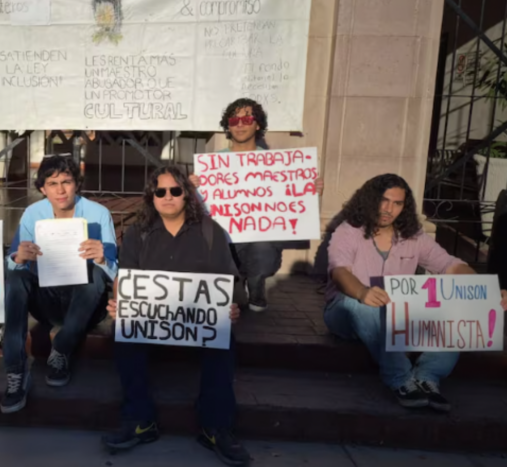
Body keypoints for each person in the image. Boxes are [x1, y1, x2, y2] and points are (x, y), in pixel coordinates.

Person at [102, 166, 248, 466]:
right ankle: (140, 420)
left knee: (223, 339)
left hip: (197, 322)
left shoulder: (211, 231)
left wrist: (231, 307)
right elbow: (126, 278)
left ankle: (215, 427)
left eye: (175, 190)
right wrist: (119, 301)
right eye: (160, 191)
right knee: (123, 331)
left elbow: (230, 282)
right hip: (151, 320)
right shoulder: (137, 233)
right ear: (151, 197)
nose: (167, 197)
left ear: (186, 195)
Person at [325, 173, 507, 411]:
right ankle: (400, 379)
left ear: (405, 206)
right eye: (384, 200)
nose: (389, 209)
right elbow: (339, 272)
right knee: (362, 307)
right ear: (370, 200)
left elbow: (449, 265)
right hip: (347, 310)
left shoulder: (413, 236)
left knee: (455, 302)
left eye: (397, 203)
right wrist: (362, 292)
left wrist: (486, 291)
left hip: (397, 313)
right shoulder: (348, 230)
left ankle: (428, 377)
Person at [1, 155, 117, 414]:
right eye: (53, 183)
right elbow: (10, 265)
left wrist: (102, 258)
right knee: (17, 278)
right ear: (43, 188)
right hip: (48, 301)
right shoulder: (33, 213)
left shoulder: (99, 214)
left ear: (77, 183)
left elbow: (113, 273)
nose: (61, 190)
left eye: (67, 181)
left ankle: (61, 349)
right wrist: (18, 258)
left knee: (95, 273)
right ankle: (15, 372)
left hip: (86, 303)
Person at [190, 98, 323, 311]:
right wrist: (192, 189)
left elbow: (291, 203)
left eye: (247, 118)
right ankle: (238, 281)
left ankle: (256, 282)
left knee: (263, 253)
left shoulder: (278, 164)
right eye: (234, 119)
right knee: (231, 295)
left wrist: (309, 189)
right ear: (228, 125)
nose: (240, 124)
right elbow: (198, 209)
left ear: (257, 124)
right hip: (226, 240)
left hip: (261, 241)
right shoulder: (212, 165)